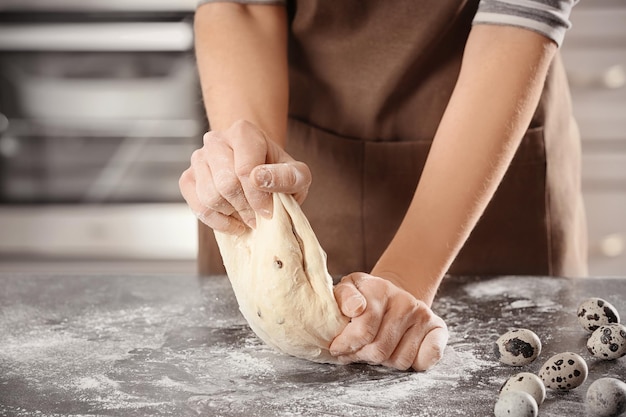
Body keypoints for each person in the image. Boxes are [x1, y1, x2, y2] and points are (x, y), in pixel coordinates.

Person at [179, 0, 588, 372]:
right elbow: (243, 5)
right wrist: (251, 171)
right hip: (293, 141)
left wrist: (407, 274)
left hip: (480, 152)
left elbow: (518, 16)